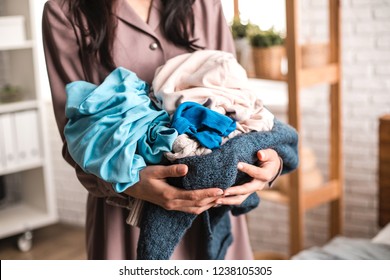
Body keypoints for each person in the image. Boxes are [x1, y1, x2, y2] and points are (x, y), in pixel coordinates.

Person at [42, 0, 287, 259]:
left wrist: (266, 161)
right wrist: (131, 182)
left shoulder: (203, 4)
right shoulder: (66, 12)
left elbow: (241, 100)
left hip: (215, 214)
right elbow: (76, 136)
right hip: (128, 219)